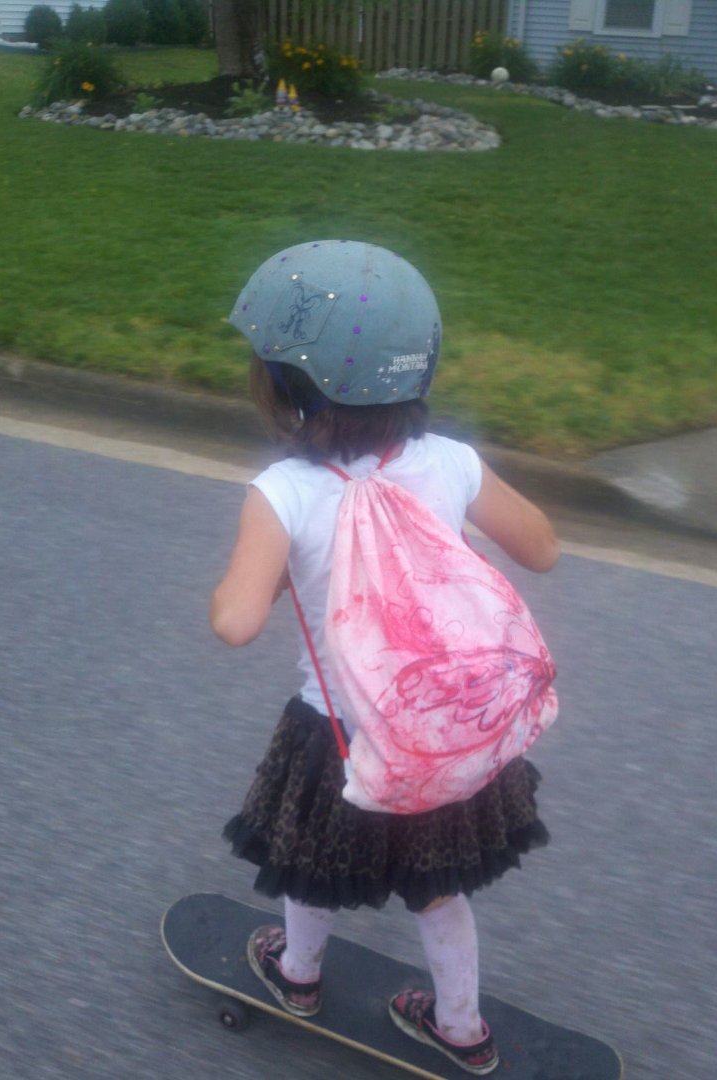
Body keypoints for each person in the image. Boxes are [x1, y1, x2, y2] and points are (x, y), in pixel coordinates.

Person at [211, 240, 559, 1076]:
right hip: (440, 728)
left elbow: (236, 622)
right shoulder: (452, 462)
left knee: (311, 863)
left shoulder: (284, 492)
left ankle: (297, 977)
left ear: (287, 383)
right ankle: (462, 1028)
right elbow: (543, 548)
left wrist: (257, 575)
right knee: (439, 886)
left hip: (339, 733)